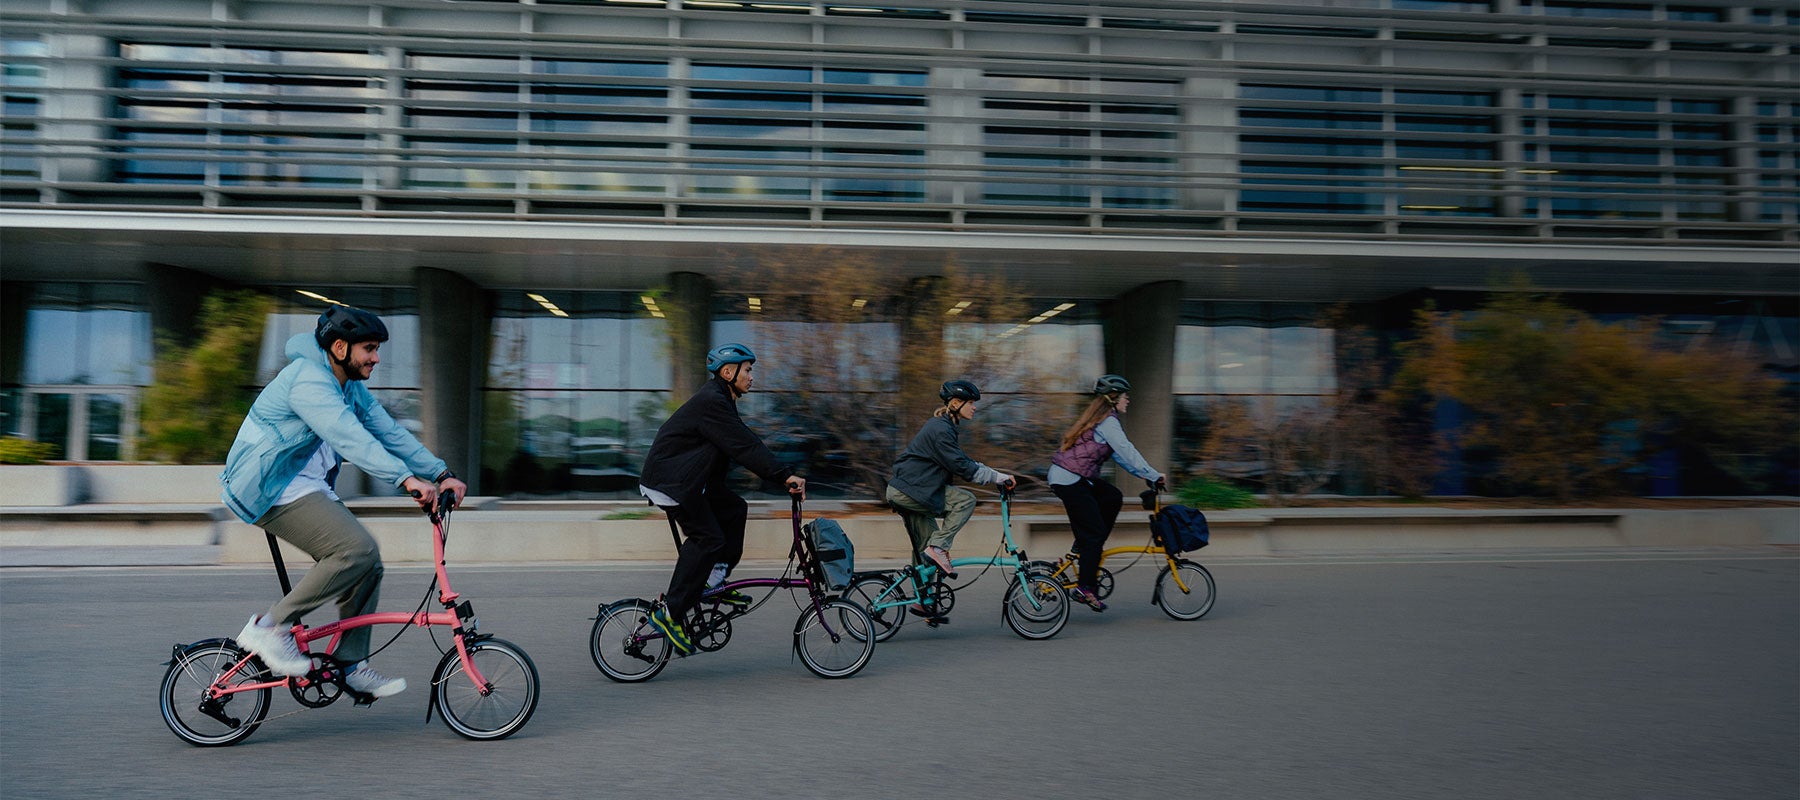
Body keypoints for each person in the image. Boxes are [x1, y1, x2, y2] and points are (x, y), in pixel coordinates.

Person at [222, 305, 467, 698]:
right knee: (356, 550)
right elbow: (349, 436)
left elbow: (388, 431)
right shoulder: (309, 381)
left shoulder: (346, 383)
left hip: (303, 482)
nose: (376, 358)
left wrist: (439, 473)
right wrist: (405, 478)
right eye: (369, 348)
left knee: (369, 565)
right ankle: (269, 627)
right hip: (269, 486)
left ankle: (351, 665)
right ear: (340, 347)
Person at [638, 342, 806, 656]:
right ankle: (670, 612)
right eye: (748, 370)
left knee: (734, 508)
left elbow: (730, 449)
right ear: (728, 372)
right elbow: (744, 445)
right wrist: (784, 475)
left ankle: (713, 579)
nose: (752, 376)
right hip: (671, 482)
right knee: (707, 538)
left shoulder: (721, 401)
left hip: (688, 479)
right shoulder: (712, 401)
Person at [886, 380, 1015, 601]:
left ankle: (922, 600)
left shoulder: (944, 427)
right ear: (955, 403)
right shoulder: (941, 430)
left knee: (924, 551)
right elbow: (962, 466)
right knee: (965, 501)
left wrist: (993, 473)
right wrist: (999, 477)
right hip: (911, 491)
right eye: (971, 402)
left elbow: (962, 460)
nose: (974, 407)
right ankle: (938, 547)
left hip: (910, 491)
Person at [1048, 374, 1165, 612]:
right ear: (1114, 398)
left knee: (1112, 497)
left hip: (1074, 477)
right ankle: (1084, 587)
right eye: (1125, 396)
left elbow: (1122, 457)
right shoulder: (1108, 422)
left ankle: (1088, 548)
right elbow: (1126, 449)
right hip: (1070, 479)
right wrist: (1154, 474)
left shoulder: (1102, 418)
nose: (1128, 400)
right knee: (1093, 535)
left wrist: (1144, 474)